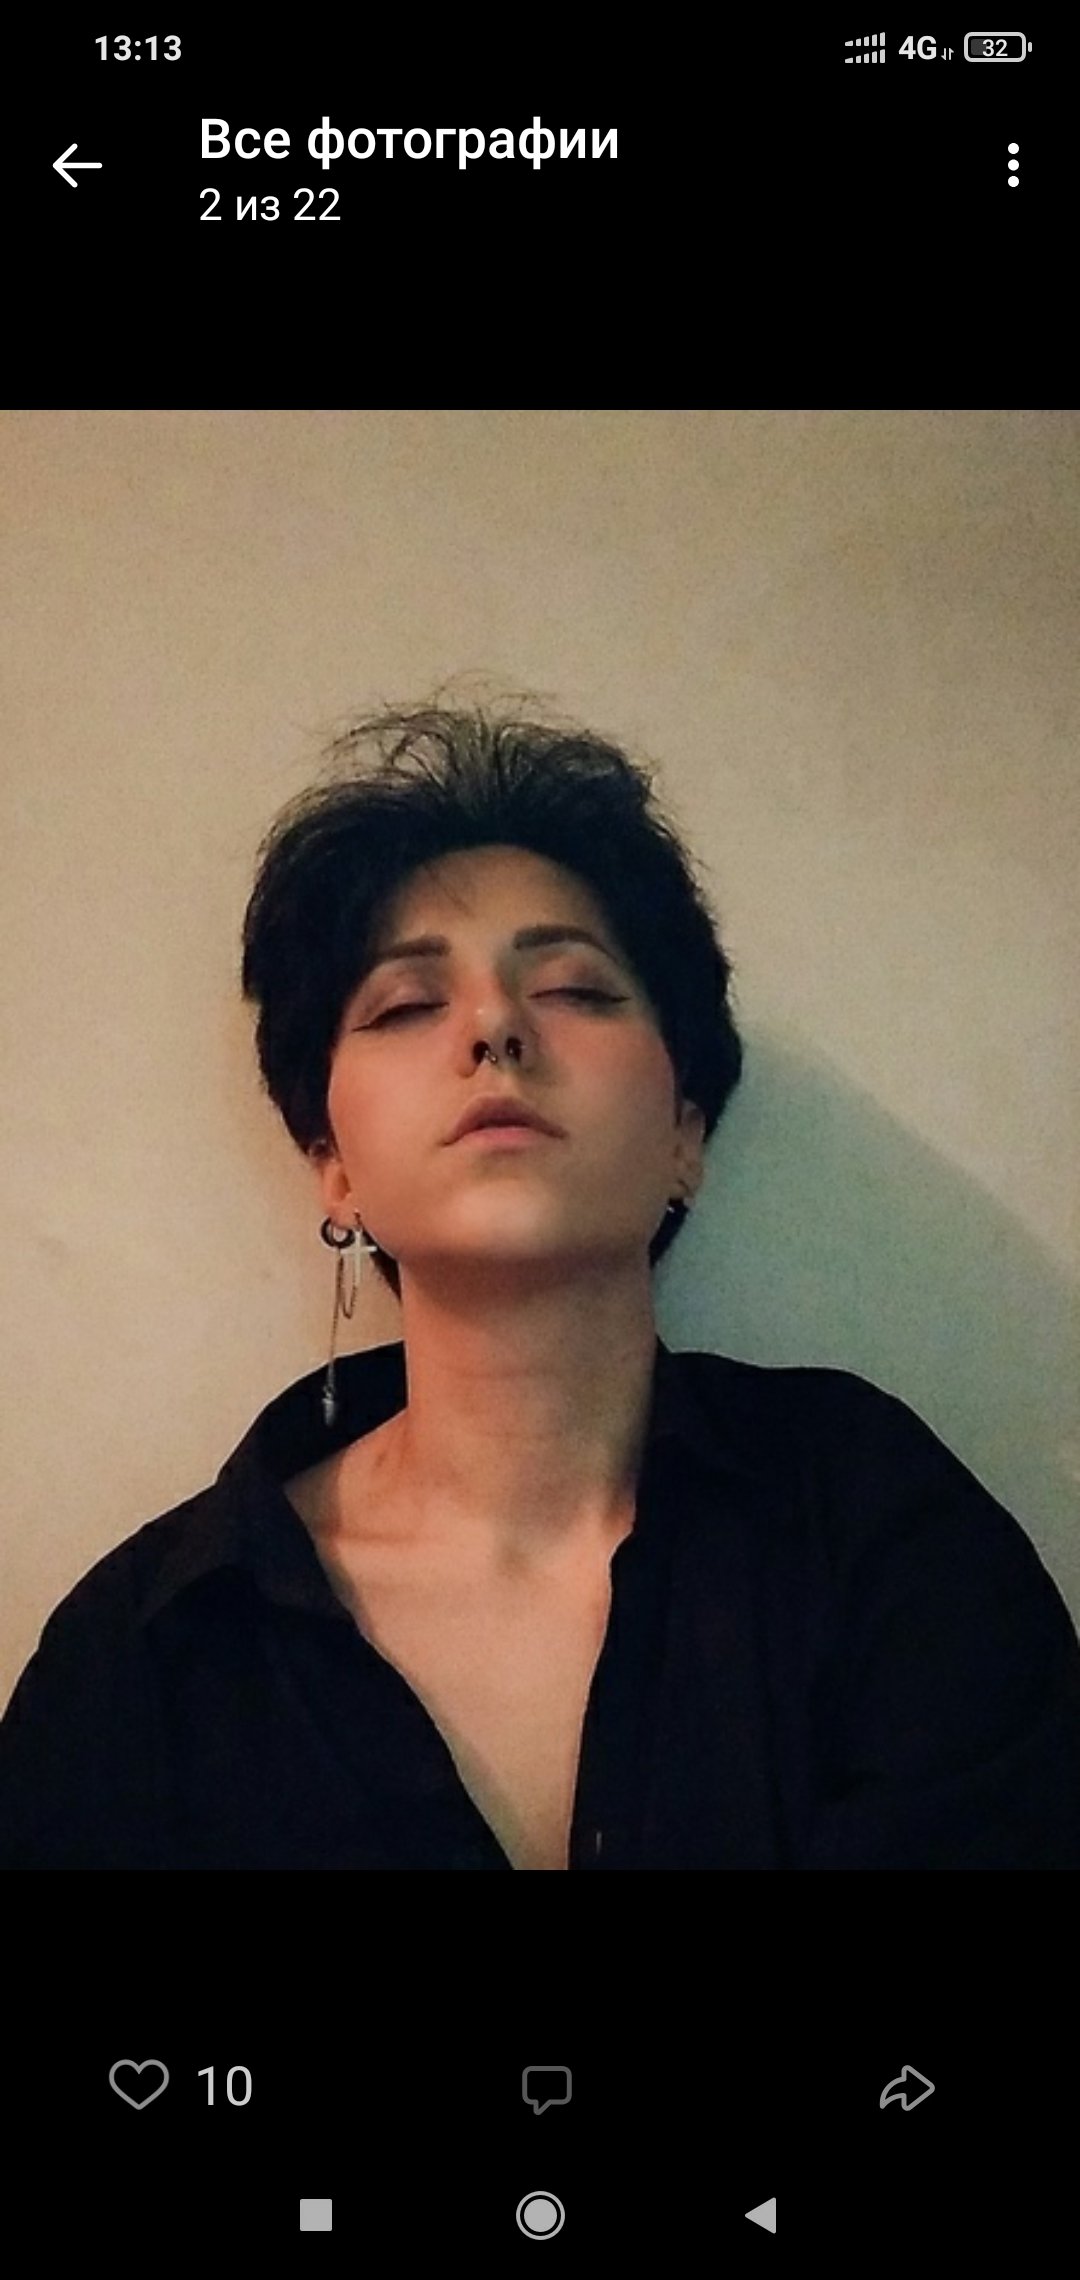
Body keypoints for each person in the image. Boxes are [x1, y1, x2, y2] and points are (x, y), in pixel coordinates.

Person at [3, 697, 1079, 1870]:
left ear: (685, 1132)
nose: (495, 1029)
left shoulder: (876, 1529)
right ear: (334, 1168)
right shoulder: (144, 1655)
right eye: (406, 1004)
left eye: (575, 988)